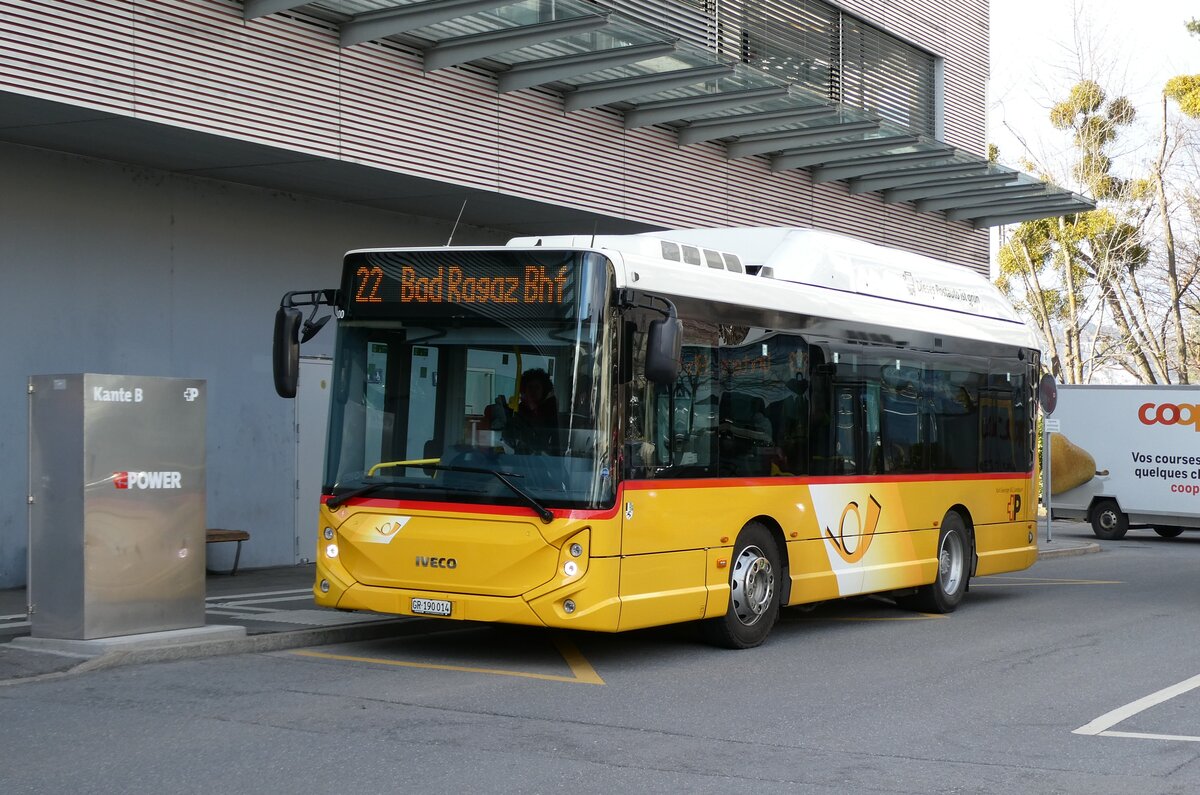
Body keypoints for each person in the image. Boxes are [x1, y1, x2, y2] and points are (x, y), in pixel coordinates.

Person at [505, 368, 559, 453]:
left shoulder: (550, 412)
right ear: (524, 390)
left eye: (537, 387)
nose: (533, 391)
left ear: (543, 390)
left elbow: (552, 441)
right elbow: (508, 438)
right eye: (530, 387)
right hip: (520, 460)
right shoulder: (517, 411)